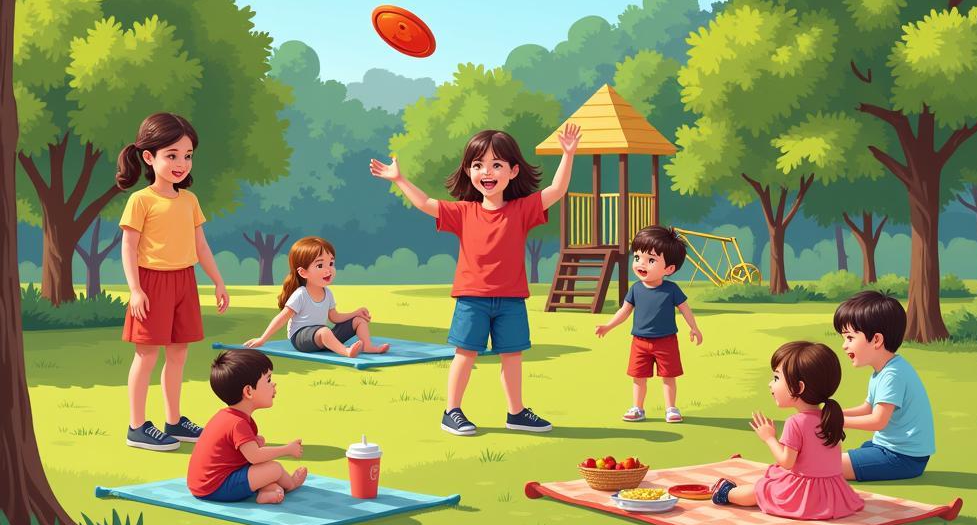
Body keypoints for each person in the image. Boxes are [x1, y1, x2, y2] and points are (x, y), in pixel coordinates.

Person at [370, 123, 581, 436]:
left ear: (512, 171)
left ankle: (516, 412)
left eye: (497, 165)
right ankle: (451, 411)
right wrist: (399, 179)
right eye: (478, 165)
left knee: (512, 356)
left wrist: (568, 154)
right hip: (472, 299)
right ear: (468, 171)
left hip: (511, 299)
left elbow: (557, 190)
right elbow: (426, 203)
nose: (487, 172)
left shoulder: (522, 209)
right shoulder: (464, 212)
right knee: (465, 354)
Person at [117, 112, 229, 452]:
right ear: (149, 157)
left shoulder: (190, 201)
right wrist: (135, 289)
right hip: (152, 283)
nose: (181, 163)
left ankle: (174, 420)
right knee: (147, 355)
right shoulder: (141, 200)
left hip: (185, 281)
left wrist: (218, 282)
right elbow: (129, 246)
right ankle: (137, 426)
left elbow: (201, 246)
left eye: (188, 155)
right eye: (172, 155)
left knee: (178, 354)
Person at [711, 341, 864, 520]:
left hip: (804, 495)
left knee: (761, 489)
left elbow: (787, 462)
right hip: (833, 492)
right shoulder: (830, 417)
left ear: (798, 388)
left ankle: (725, 492)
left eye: (776, 378)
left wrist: (769, 438)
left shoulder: (796, 422)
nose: (770, 385)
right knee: (775, 476)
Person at [595, 226, 703, 422]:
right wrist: (608, 326)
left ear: (669, 269)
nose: (641, 264)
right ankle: (637, 408)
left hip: (666, 341)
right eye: (637, 258)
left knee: (668, 377)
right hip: (639, 342)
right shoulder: (636, 289)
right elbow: (624, 311)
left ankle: (671, 409)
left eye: (651, 260)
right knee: (638, 377)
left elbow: (685, 309)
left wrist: (694, 328)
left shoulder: (671, 290)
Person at [834, 290, 935, 481]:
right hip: (887, 448)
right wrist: (836, 413)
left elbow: (878, 421)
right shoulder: (883, 370)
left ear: (877, 340)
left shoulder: (892, 374)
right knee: (835, 459)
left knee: (824, 467)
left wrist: (837, 421)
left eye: (849, 338)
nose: (844, 346)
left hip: (902, 458)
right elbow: (869, 408)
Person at [187, 349, 307, 505]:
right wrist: (287, 449)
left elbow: (236, 450)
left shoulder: (229, 416)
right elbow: (255, 456)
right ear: (249, 391)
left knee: (264, 469)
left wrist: (255, 441)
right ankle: (290, 484)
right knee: (274, 469)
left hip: (206, 482)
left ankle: (267, 491)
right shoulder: (238, 423)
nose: (274, 384)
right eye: (268, 380)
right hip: (215, 487)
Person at [244, 236, 388, 357]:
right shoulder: (301, 294)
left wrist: (356, 313)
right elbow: (282, 317)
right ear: (303, 273)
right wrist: (263, 339)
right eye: (320, 265)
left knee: (358, 320)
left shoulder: (328, 293)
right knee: (324, 331)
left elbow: (335, 318)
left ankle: (368, 346)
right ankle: (345, 351)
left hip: (320, 337)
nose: (328, 270)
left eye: (331, 263)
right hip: (301, 340)